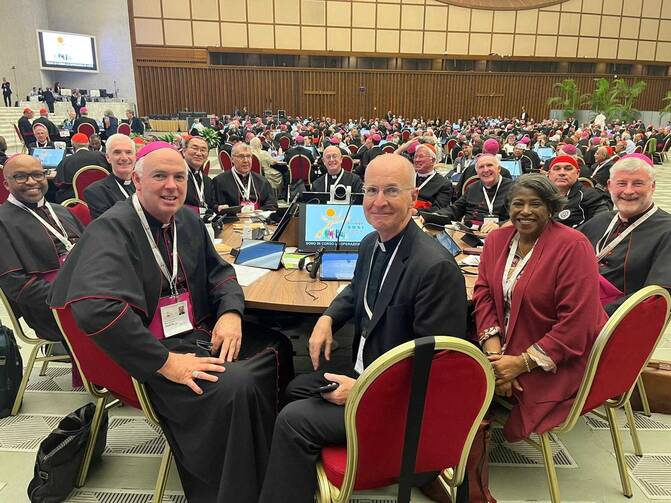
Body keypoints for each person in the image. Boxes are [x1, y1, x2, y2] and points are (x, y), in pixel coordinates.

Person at [49, 142, 293, 503]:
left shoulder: (188, 220)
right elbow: (95, 309)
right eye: (159, 176)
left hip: (195, 332)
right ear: (136, 179)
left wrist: (229, 314)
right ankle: (236, 490)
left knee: (278, 346)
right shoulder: (112, 229)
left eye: (179, 177)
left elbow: (221, 274)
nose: (171, 186)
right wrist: (165, 363)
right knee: (237, 383)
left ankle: (271, 465)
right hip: (152, 352)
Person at [258, 154, 468, 503]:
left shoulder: (434, 268)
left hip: (397, 400)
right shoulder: (373, 242)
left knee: (294, 420)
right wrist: (328, 317)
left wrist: (362, 391)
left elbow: (437, 368)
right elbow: (358, 289)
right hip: (366, 369)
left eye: (391, 191)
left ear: (413, 197)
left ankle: (395, 462)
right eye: (371, 190)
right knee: (295, 388)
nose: (378, 201)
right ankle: (312, 476)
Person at [473, 174, 607, 442]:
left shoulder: (573, 246)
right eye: (517, 204)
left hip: (559, 355)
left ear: (550, 208)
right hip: (504, 345)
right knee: (453, 364)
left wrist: (520, 364)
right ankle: (459, 452)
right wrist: (496, 357)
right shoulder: (497, 240)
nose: (525, 211)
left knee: (472, 384)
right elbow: (484, 293)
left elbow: (577, 324)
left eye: (535, 204)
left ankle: (471, 457)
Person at [0, 154, 83, 344]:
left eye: (38, 175)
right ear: (6, 184)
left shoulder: (62, 211)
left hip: (89, 291)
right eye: (21, 176)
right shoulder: (2, 221)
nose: (32, 182)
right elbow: (16, 285)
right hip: (49, 309)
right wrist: (76, 293)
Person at [580, 156, 671, 315]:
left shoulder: (667, 230)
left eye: (638, 183)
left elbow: (656, 297)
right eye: (621, 183)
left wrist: (591, 315)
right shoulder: (601, 220)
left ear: (653, 186)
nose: (628, 191)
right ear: (609, 186)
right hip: (573, 305)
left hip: (614, 323)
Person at [431, 154, 513, 233]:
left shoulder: (513, 188)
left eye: (489, 165)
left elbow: (518, 218)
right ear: (477, 171)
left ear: (499, 169)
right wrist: (434, 215)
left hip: (499, 233)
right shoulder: (472, 188)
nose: (485, 170)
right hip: (469, 233)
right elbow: (455, 209)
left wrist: (500, 225)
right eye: (481, 167)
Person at [83, 134, 137, 219]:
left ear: (135, 157)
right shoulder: (96, 192)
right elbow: (108, 228)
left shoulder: (146, 185)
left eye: (128, 152)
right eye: (117, 152)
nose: (124, 158)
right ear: (108, 157)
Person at [546, 156, 609, 228]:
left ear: (578, 173)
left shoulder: (592, 197)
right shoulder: (542, 196)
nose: (562, 173)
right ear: (549, 174)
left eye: (568, 169)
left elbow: (601, 226)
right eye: (557, 169)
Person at [212, 142, 277, 211]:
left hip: (258, 220)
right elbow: (213, 205)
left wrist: (260, 212)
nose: (246, 160)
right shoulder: (219, 181)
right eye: (241, 156)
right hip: (233, 220)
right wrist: (219, 208)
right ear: (232, 159)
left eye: (248, 156)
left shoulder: (262, 181)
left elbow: (272, 204)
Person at [54, 132, 111, 202]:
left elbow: (58, 183)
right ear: (88, 144)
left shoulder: (66, 161)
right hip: (103, 197)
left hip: (75, 200)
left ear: (73, 146)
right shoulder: (103, 156)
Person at [412, 144, 453, 211]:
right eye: (415, 156)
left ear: (433, 160)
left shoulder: (444, 184)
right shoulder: (408, 179)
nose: (417, 160)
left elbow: (438, 209)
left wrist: (417, 212)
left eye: (421, 156)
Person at [182, 136, 217, 213]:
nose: (199, 153)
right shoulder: (175, 176)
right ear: (184, 151)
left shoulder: (207, 180)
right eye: (195, 148)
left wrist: (218, 208)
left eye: (203, 150)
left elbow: (211, 204)